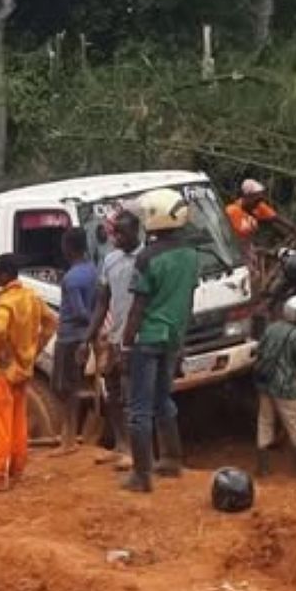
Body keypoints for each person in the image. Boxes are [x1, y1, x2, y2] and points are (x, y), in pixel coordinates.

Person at [120, 188, 200, 494]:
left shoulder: (147, 257)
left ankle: (141, 476)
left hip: (148, 337)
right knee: (163, 399)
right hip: (173, 337)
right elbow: (188, 300)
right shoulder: (191, 254)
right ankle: (171, 458)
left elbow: (138, 308)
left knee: (138, 408)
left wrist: (125, 345)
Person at [0, 255, 55, 492]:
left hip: (2, 372)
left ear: (4, 275)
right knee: (18, 422)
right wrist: (35, 350)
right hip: (23, 369)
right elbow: (51, 322)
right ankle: (17, 470)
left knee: (0, 425)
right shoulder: (31, 297)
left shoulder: (4, 303)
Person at [85, 206, 141, 467]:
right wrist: (90, 336)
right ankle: (121, 443)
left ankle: (137, 452)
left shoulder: (147, 259)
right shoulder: (110, 260)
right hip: (114, 337)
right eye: (115, 233)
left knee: (133, 396)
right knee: (113, 392)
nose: (118, 238)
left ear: (136, 231)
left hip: (139, 338)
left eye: (123, 233)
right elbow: (102, 302)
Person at [254, 295, 296, 477]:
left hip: (265, 383)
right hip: (286, 387)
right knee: (295, 425)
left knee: (265, 422)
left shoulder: (271, 328)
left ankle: (263, 467)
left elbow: (259, 352)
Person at [53, 227, 99, 449]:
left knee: (63, 387)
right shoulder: (92, 270)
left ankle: (68, 438)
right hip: (82, 337)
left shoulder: (71, 278)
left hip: (70, 337)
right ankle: (69, 435)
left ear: (68, 247)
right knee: (74, 385)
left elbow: (80, 311)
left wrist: (91, 324)